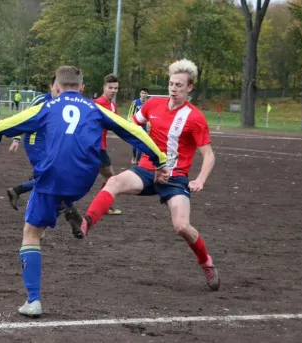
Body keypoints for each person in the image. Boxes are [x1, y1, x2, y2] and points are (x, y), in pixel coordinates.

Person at [0, 66, 168, 318]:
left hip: (52, 176)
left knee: (31, 233)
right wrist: (160, 160)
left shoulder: (47, 107)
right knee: (61, 191)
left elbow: (4, 125)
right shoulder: (95, 108)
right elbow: (134, 131)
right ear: (82, 88)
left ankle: (33, 300)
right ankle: (65, 207)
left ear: (55, 88)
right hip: (84, 179)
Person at [65, 59, 220, 292]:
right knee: (114, 181)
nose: (173, 89)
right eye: (171, 84)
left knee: (181, 227)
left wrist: (199, 179)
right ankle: (86, 223)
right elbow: (130, 126)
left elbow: (209, 155)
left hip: (175, 178)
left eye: (179, 85)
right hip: (147, 169)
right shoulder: (152, 105)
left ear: (189, 88)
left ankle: (206, 262)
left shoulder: (195, 118)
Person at [6, 77, 55, 210]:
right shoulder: (42, 100)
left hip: (48, 143)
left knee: (51, 174)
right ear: (51, 86)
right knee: (49, 174)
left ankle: (17, 191)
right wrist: (16, 139)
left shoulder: (62, 102)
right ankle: (34, 206)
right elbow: (23, 117)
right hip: (35, 141)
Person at [93, 74, 122, 215]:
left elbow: (118, 123)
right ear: (104, 87)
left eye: (116, 88)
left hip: (100, 147)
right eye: (110, 87)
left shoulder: (112, 105)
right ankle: (103, 206)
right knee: (110, 177)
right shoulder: (96, 104)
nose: (113, 90)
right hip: (94, 147)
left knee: (109, 177)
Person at [129, 88, 149, 164]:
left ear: (147, 94)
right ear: (140, 94)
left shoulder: (148, 103)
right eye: (142, 93)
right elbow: (130, 113)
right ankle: (134, 157)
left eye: (145, 93)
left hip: (144, 127)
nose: (144, 95)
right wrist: (130, 123)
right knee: (135, 144)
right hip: (136, 126)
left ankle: (138, 160)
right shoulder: (135, 102)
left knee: (141, 144)